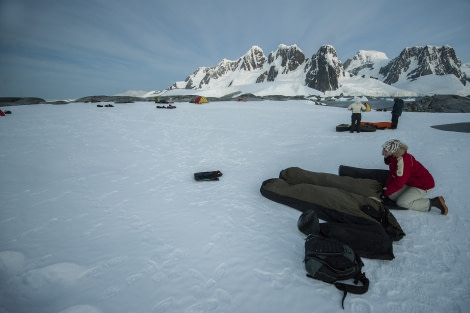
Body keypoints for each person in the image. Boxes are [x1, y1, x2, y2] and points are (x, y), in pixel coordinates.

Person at [381, 139, 448, 215]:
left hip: (423, 185)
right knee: (391, 195)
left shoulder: (402, 162)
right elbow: (393, 175)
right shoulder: (394, 158)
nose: (383, 153)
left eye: (385, 151)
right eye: (383, 149)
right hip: (412, 183)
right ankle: (408, 196)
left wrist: (385, 193)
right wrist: (387, 189)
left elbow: (399, 182)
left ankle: (433, 202)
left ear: (393, 152)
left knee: (402, 202)